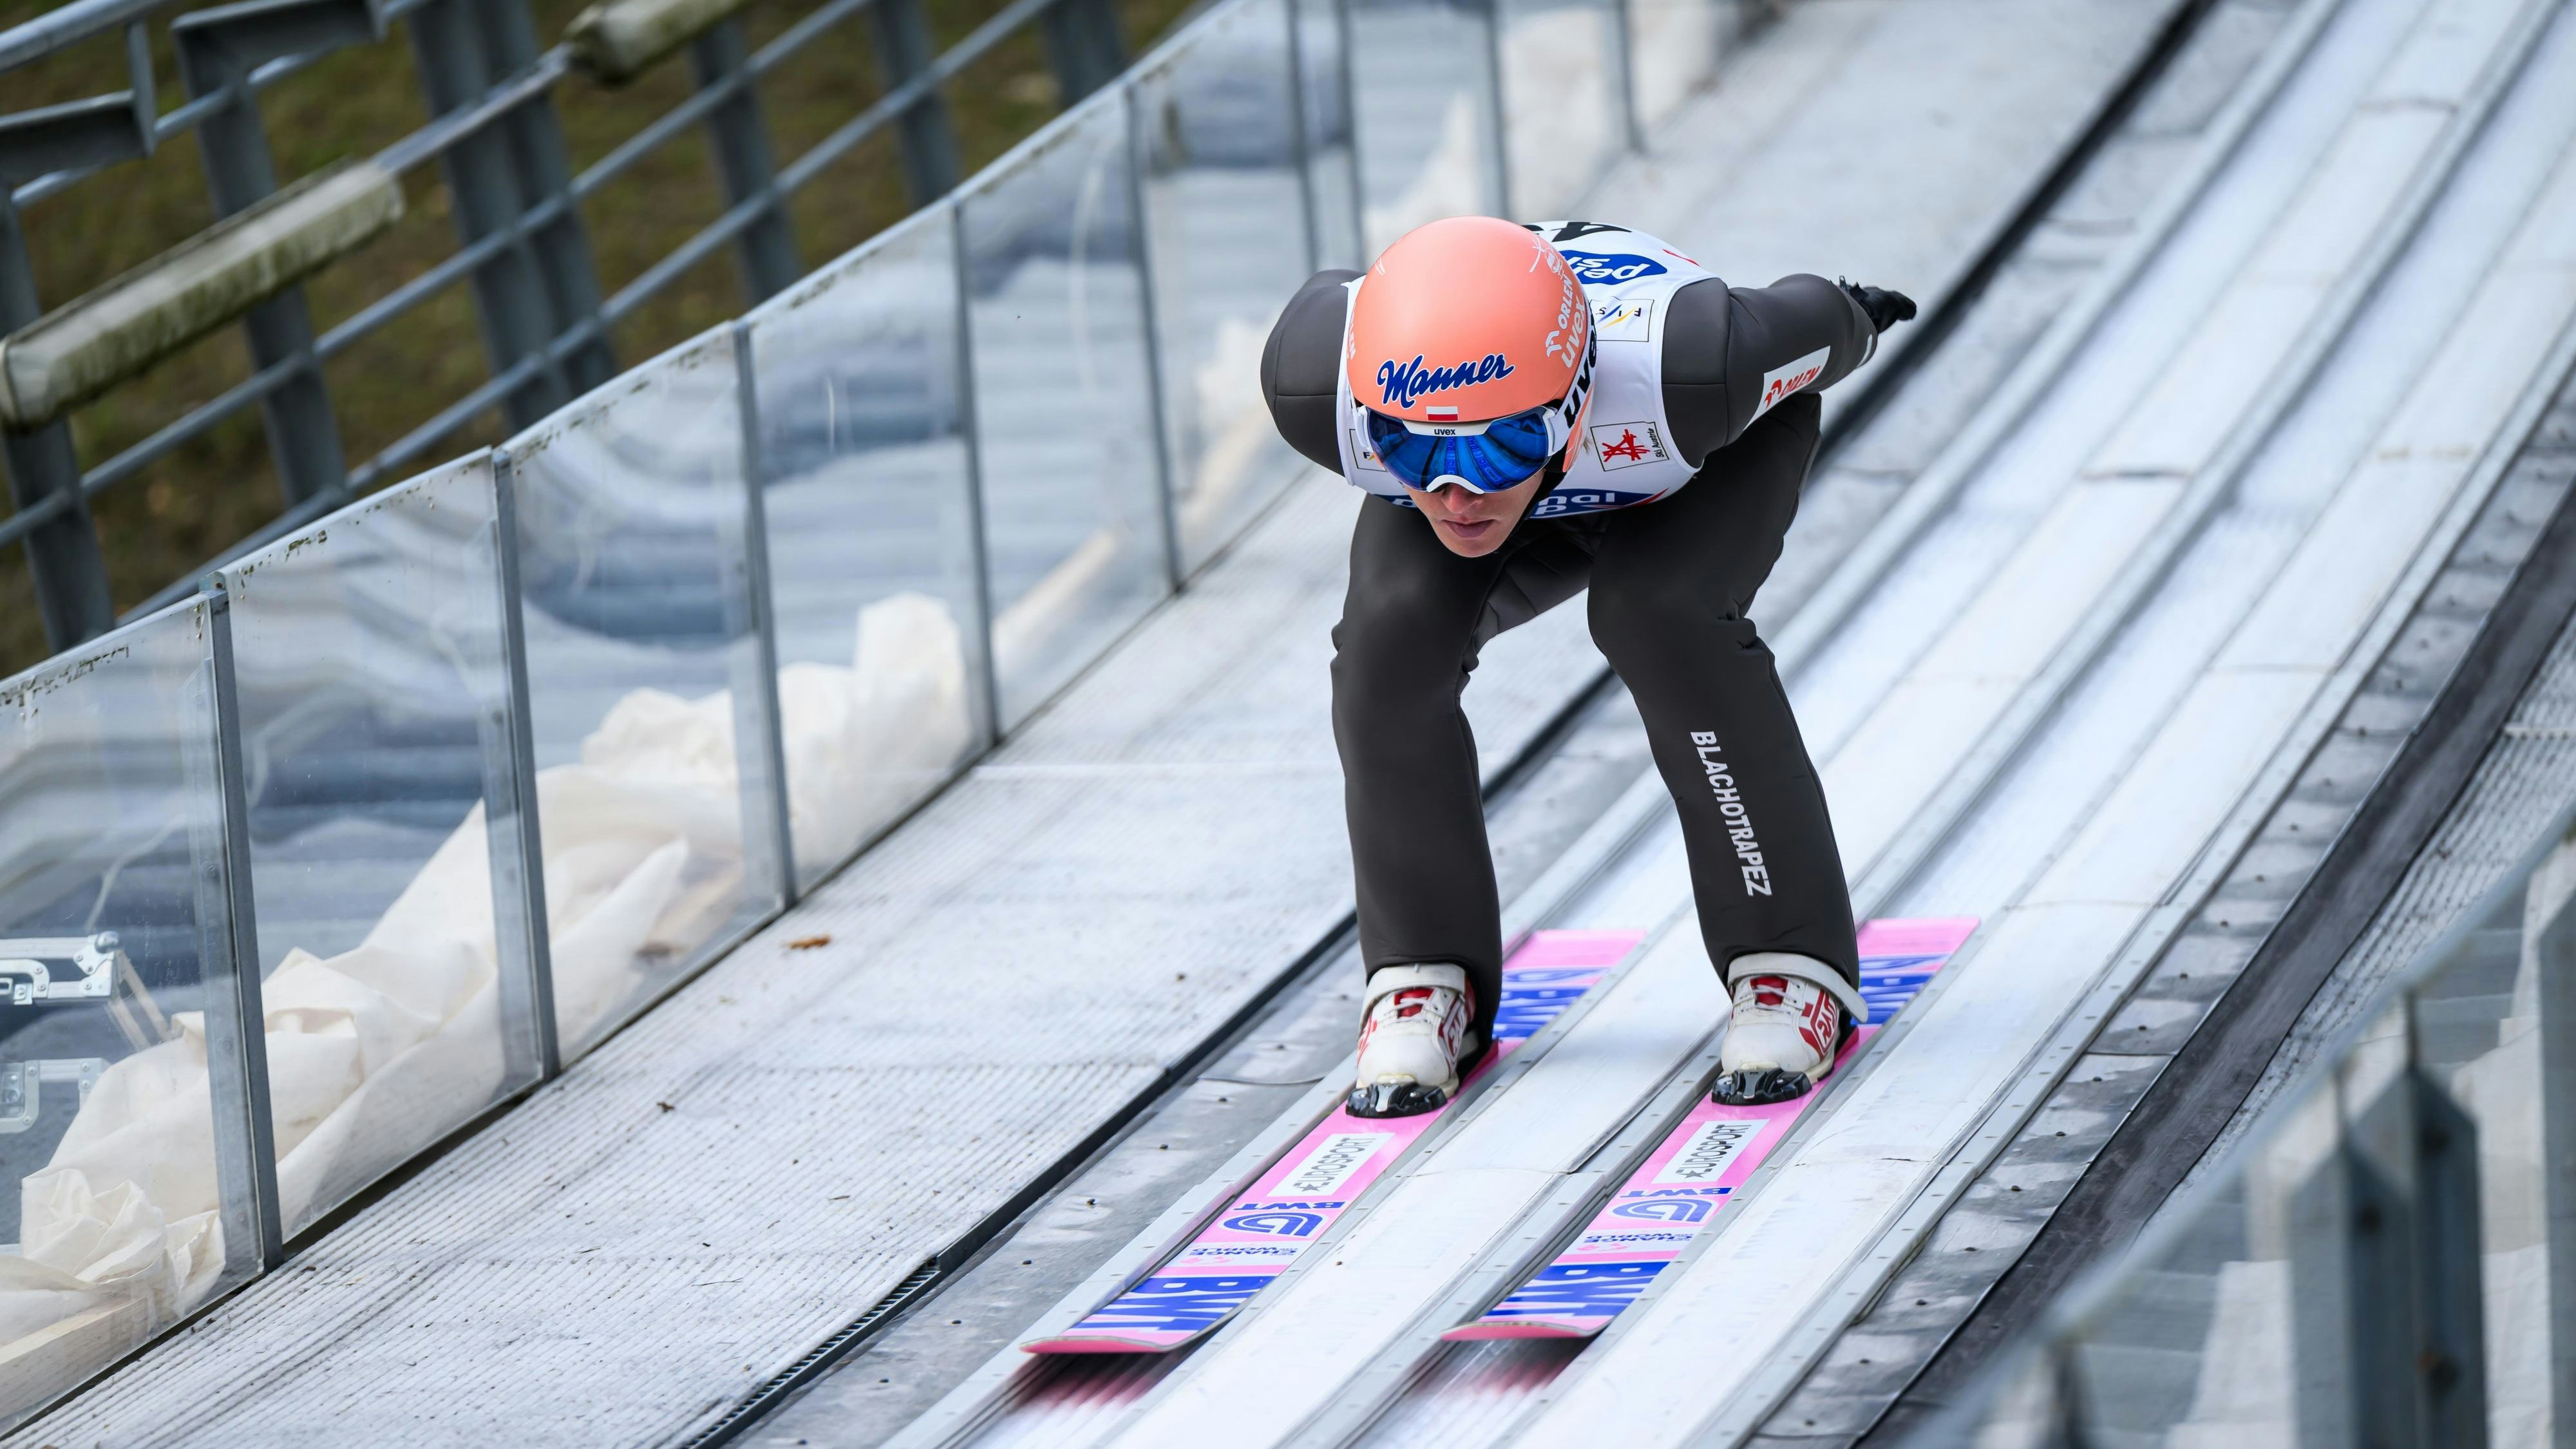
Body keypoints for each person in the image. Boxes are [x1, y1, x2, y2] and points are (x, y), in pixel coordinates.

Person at [1258, 216, 1917, 1117]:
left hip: (1690, 457)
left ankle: (1791, 959)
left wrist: (1858, 312)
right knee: (1386, 641)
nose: (1458, 492)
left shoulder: (1693, 368)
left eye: (1497, 448)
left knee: (1657, 613)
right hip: (1579, 437)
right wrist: (1479, 450)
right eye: (1412, 449)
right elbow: (1390, 369)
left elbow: (1810, 318)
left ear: (1573, 402)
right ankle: (1423, 969)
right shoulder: (1314, 384)